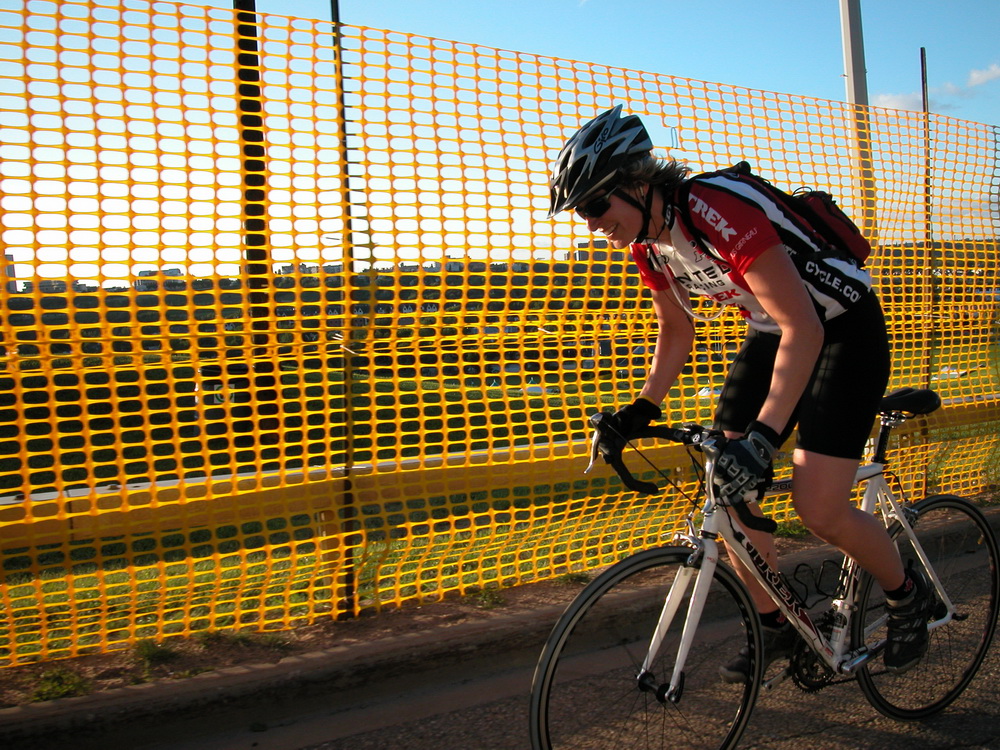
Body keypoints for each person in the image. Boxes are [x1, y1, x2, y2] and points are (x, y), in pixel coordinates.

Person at [547, 105, 932, 681]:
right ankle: (774, 625)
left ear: (635, 183)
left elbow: (808, 327)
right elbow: (676, 329)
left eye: (596, 205)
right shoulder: (649, 244)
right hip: (777, 331)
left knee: (817, 505)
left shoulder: (712, 209)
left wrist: (764, 436)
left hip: (843, 330)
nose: (591, 222)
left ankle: (907, 596)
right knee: (728, 484)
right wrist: (640, 410)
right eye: (582, 213)